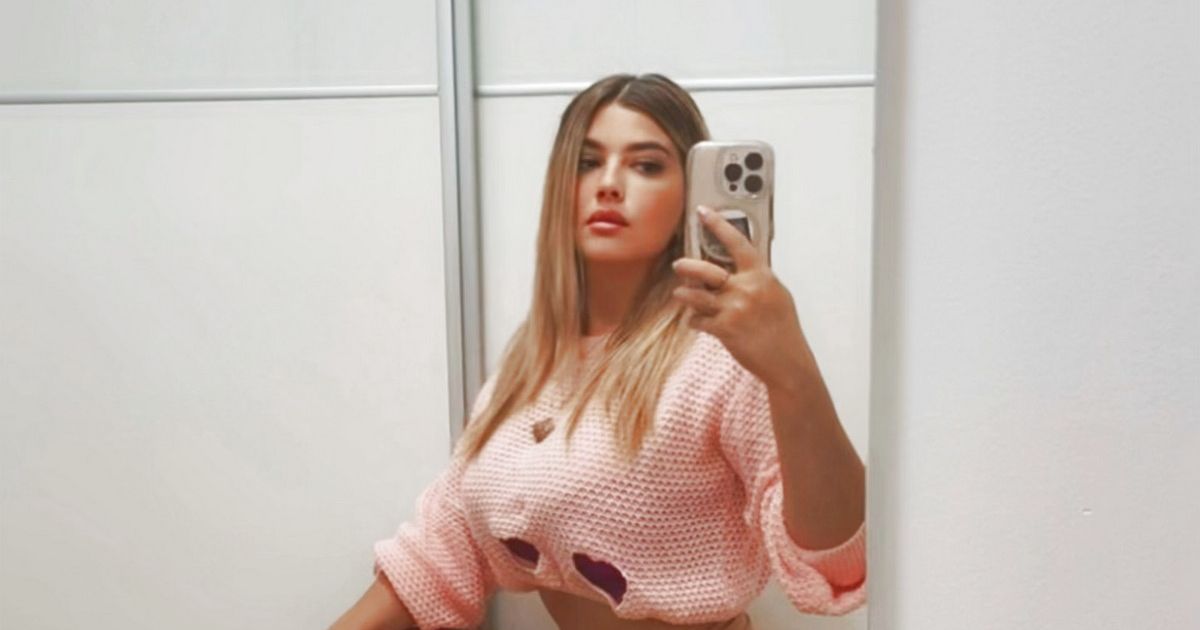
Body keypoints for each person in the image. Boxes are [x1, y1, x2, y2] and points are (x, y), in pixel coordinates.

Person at [330, 73, 866, 630]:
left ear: (690, 195)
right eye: (587, 162)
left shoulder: (724, 353)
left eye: (646, 165)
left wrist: (793, 373)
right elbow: (443, 546)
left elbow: (840, 560)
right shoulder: (531, 363)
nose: (608, 184)